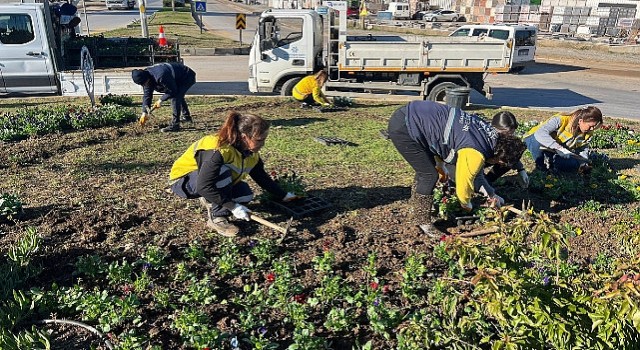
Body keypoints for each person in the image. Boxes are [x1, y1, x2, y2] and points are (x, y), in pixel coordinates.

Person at [387, 100, 526, 236]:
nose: (497, 165)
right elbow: (462, 190)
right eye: (500, 163)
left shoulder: (489, 135)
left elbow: (475, 174)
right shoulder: (475, 153)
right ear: (499, 156)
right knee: (428, 175)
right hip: (406, 126)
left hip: (417, 114)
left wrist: (491, 194)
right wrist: (468, 206)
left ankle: (416, 207)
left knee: (426, 170)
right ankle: (423, 221)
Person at [167, 111, 299, 237]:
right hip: (184, 182)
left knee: (245, 194)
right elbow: (204, 186)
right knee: (221, 173)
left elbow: (261, 177)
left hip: (209, 182)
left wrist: (284, 195)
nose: (263, 144)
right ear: (244, 137)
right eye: (259, 140)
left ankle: (212, 199)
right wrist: (233, 207)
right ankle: (217, 217)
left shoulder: (250, 154)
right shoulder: (217, 149)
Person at [523, 106, 603, 173]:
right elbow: (540, 134)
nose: (592, 129)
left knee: (572, 164)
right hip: (535, 140)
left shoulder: (588, 133)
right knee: (536, 142)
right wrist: (558, 148)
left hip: (554, 150)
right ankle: (541, 167)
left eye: (594, 126)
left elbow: (582, 149)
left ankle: (551, 163)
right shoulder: (562, 119)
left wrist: (583, 163)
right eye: (590, 126)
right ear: (581, 121)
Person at [131, 62, 197, 132]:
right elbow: (147, 95)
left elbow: (172, 91)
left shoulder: (160, 76)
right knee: (178, 95)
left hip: (186, 76)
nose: (144, 85)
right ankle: (186, 117)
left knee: (176, 96)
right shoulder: (146, 77)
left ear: (147, 78)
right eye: (142, 84)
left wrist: (161, 100)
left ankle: (175, 125)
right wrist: (144, 112)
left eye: (144, 83)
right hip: (174, 77)